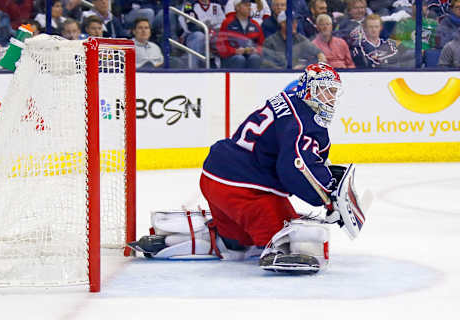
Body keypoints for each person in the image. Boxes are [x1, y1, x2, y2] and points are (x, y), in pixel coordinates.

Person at [128, 63, 359, 273]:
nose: (330, 97)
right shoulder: (304, 120)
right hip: (244, 189)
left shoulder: (286, 101)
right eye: (325, 90)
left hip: (216, 177)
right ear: (308, 88)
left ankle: (186, 238)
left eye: (333, 92)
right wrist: (327, 194)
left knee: (236, 243)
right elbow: (294, 167)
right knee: (293, 238)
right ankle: (275, 251)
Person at [262, 11, 327, 69]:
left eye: (296, 22)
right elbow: (268, 64)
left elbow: (317, 51)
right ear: (283, 23)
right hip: (277, 77)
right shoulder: (270, 42)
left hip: (296, 75)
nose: (295, 25)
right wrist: (290, 69)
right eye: (292, 22)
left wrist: (321, 57)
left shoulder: (299, 38)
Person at [216, 0, 264, 69]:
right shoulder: (227, 23)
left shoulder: (255, 24)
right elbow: (220, 46)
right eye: (246, 5)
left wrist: (256, 50)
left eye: (249, 5)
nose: (249, 8)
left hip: (250, 56)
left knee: (255, 58)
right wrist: (234, 51)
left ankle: (254, 79)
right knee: (239, 59)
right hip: (231, 57)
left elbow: (263, 45)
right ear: (237, 7)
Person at [178, 0, 225, 68]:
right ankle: (194, 69)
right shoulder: (189, 5)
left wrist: (212, 31)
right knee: (199, 36)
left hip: (212, 35)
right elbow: (191, 26)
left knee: (221, 37)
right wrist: (205, 29)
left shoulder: (217, 6)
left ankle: (216, 66)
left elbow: (222, 24)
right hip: (192, 36)